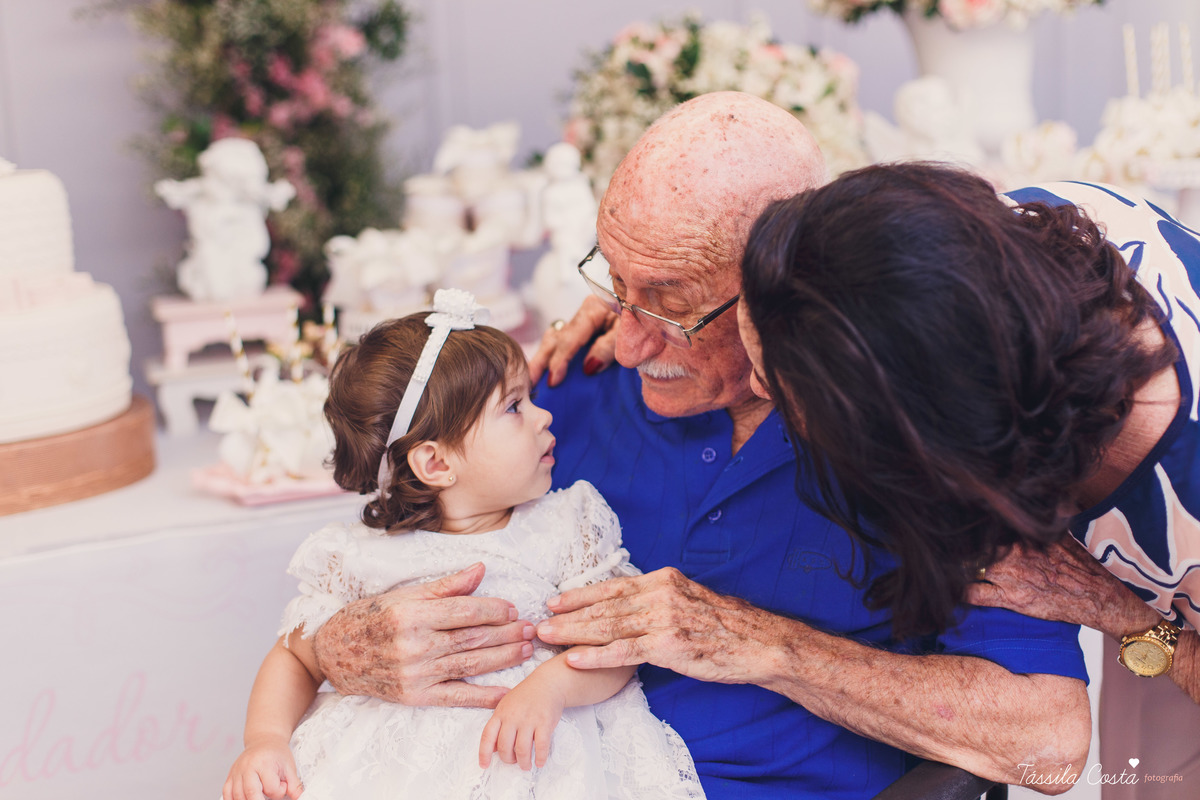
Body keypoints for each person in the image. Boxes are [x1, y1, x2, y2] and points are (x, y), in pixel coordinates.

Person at [312, 93, 1092, 797]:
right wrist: (330, 649)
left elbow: (1049, 745)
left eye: (669, 303)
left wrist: (768, 647)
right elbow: (392, 553)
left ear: (783, 281)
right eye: (616, 285)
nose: (626, 341)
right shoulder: (554, 398)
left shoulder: (918, 424)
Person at [738, 161, 1200, 794]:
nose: (753, 387)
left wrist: (1122, 613)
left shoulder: (1182, 492)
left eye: (778, 388)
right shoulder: (1007, 235)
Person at [223, 290, 705, 800]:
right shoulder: (361, 557)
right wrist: (266, 739)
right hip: (395, 770)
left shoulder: (565, 524)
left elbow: (617, 642)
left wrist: (552, 686)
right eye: (515, 407)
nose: (544, 417)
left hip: (538, 760)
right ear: (436, 464)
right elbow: (297, 656)